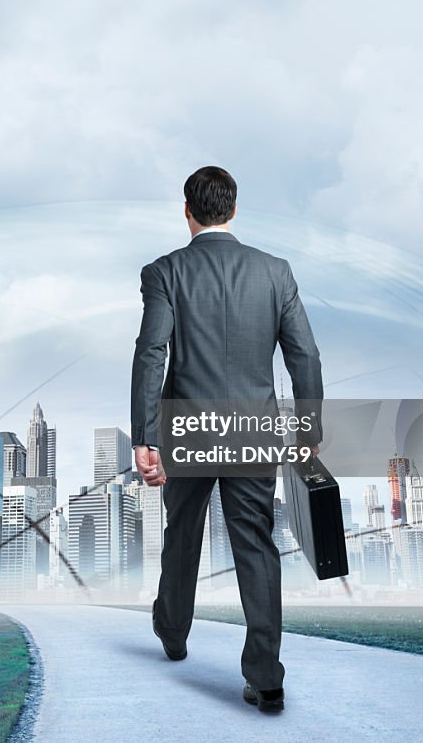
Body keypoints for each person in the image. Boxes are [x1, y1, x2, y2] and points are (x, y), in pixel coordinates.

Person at [130, 165, 323, 713]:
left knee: (182, 532)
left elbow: (152, 352)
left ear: (186, 211)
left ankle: (172, 631)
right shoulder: (275, 272)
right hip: (253, 429)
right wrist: (309, 432)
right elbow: (303, 354)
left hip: (186, 429)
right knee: (255, 546)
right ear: (233, 210)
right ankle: (265, 678)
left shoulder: (165, 271)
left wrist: (146, 436)